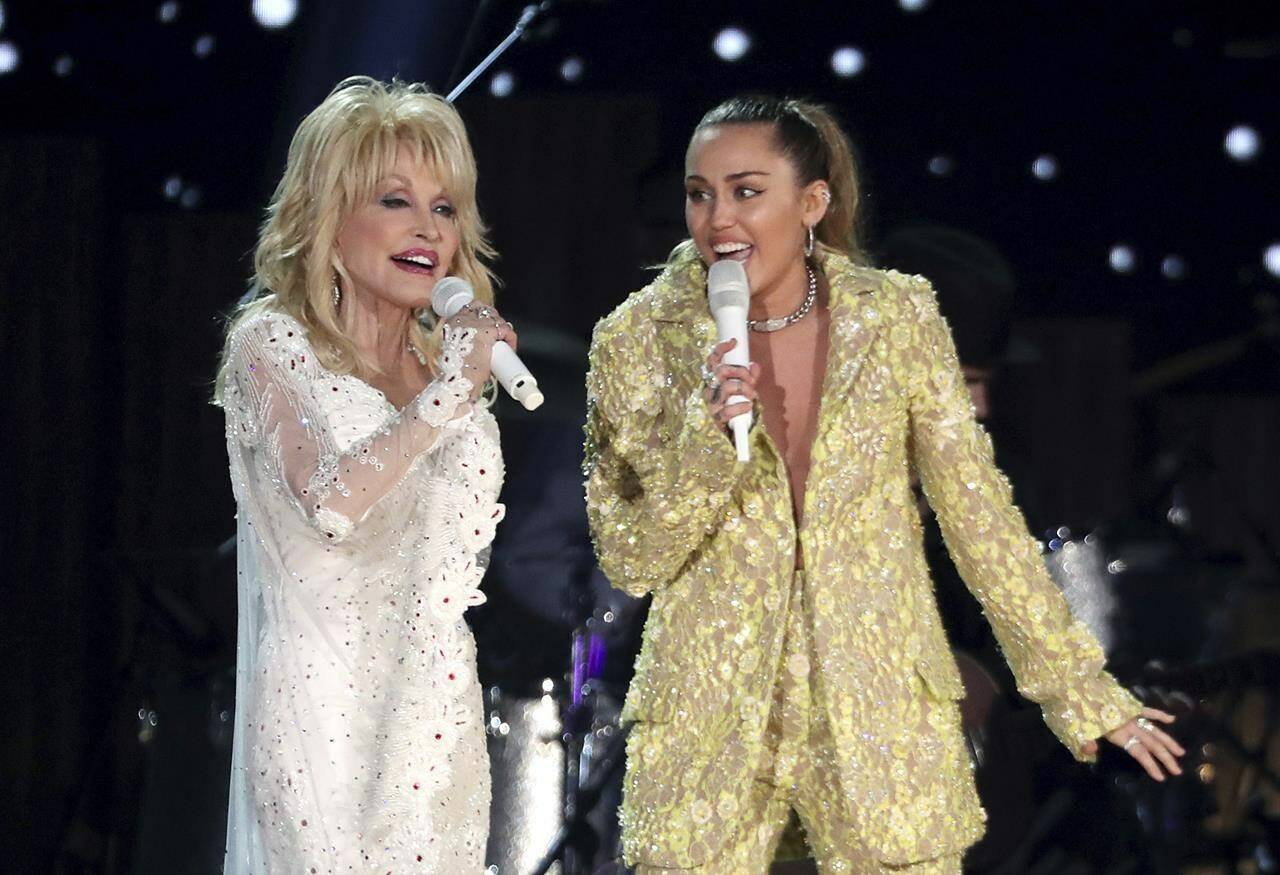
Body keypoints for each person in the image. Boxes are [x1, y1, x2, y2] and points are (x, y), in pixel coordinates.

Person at [583, 95, 1184, 875]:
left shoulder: (897, 318)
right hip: (710, 722)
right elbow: (630, 555)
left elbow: (980, 518)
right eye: (700, 193)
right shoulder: (635, 338)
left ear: (813, 202)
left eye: (747, 190)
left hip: (879, 714)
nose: (718, 219)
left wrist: (1078, 688)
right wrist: (704, 442)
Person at [214, 76, 515, 874]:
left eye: (444, 208)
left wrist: (450, 387)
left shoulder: (446, 376)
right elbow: (330, 504)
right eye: (395, 200)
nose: (427, 229)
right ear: (329, 216)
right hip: (323, 725)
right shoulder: (272, 347)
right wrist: (449, 394)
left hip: (436, 732)